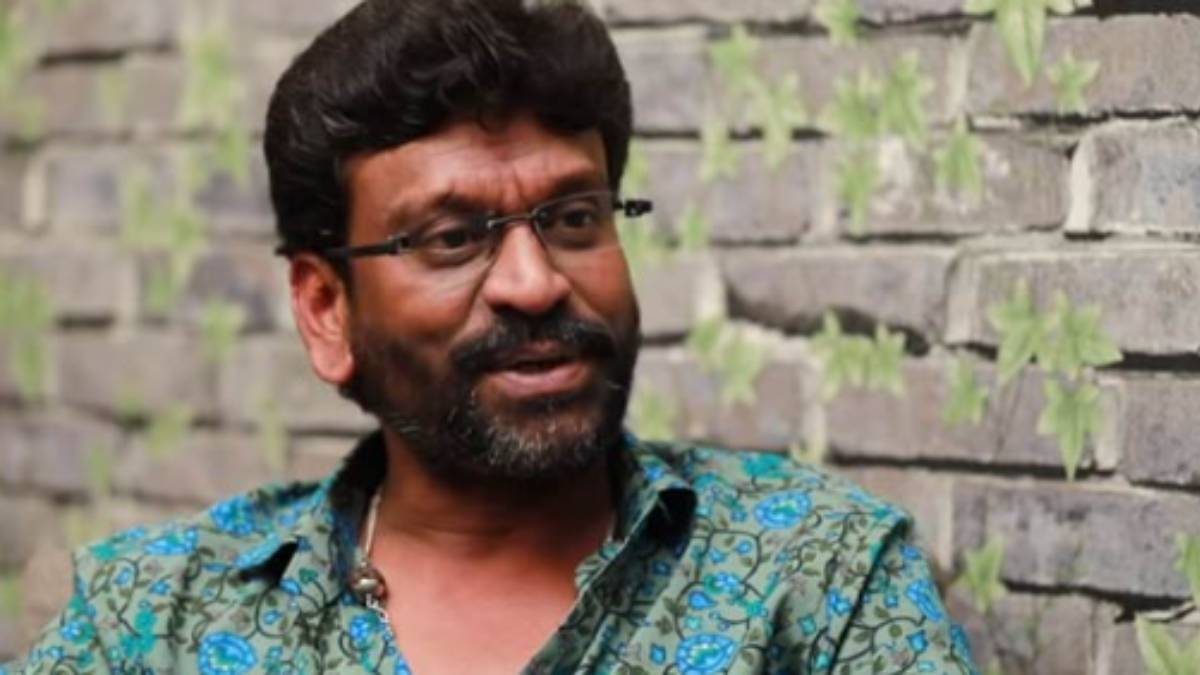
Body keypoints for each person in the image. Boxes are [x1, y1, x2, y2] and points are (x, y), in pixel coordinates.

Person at [4, 1, 977, 673]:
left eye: (574, 217)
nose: (534, 282)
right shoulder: (153, 617)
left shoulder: (818, 573)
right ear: (327, 308)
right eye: (451, 238)